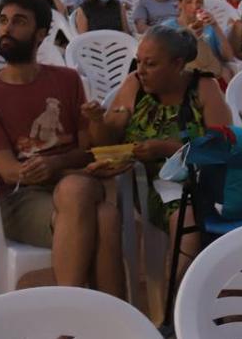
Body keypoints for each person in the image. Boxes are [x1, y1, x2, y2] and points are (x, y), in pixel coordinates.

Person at [0, 0, 126, 296]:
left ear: (40, 35)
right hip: (19, 199)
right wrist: (67, 169)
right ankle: (92, 320)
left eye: (19, 22)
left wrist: (59, 163)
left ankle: (95, 323)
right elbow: (11, 172)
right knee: (98, 209)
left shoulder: (66, 80)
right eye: (2, 20)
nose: (6, 29)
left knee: (94, 205)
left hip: (72, 184)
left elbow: (87, 149)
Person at [98, 25, 234, 271]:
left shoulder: (203, 88)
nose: (141, 71)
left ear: (177, 64)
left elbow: (221, 148)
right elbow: (107, 138)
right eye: (138, 62)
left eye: (150, 64)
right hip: (146, 184)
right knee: (188, 219)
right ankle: (177, 301)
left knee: (199, 218)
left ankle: (184, 295)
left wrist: (166, 149)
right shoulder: (135, 85)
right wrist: (97, 121)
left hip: (201, 180)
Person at [163, 0, 235, 79]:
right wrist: (188, 33)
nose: (195, 6)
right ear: (179, 4)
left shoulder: (209, 27)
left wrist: (216, 26)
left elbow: (228, 57)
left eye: (198, 2)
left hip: (213, 75)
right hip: (185, 77)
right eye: (189, 2)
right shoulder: (168, 27)